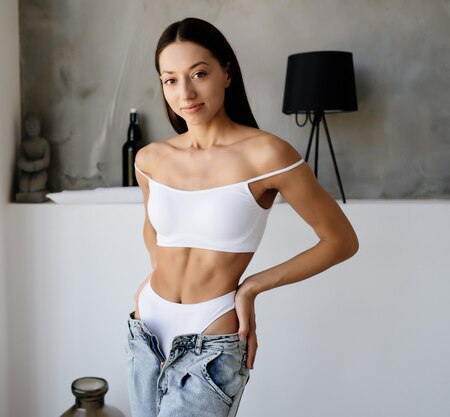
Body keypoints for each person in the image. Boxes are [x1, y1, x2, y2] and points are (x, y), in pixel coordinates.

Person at [125, 17, 359, 417]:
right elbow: (155, 229)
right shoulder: (150, 159)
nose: (185, 92)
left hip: (212, 334)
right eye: (170, 80)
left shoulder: (267, 155)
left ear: (227, 73)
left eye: (199, 73)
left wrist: (251, 287)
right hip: (146, 328)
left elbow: (341, 241)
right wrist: (152, 280)